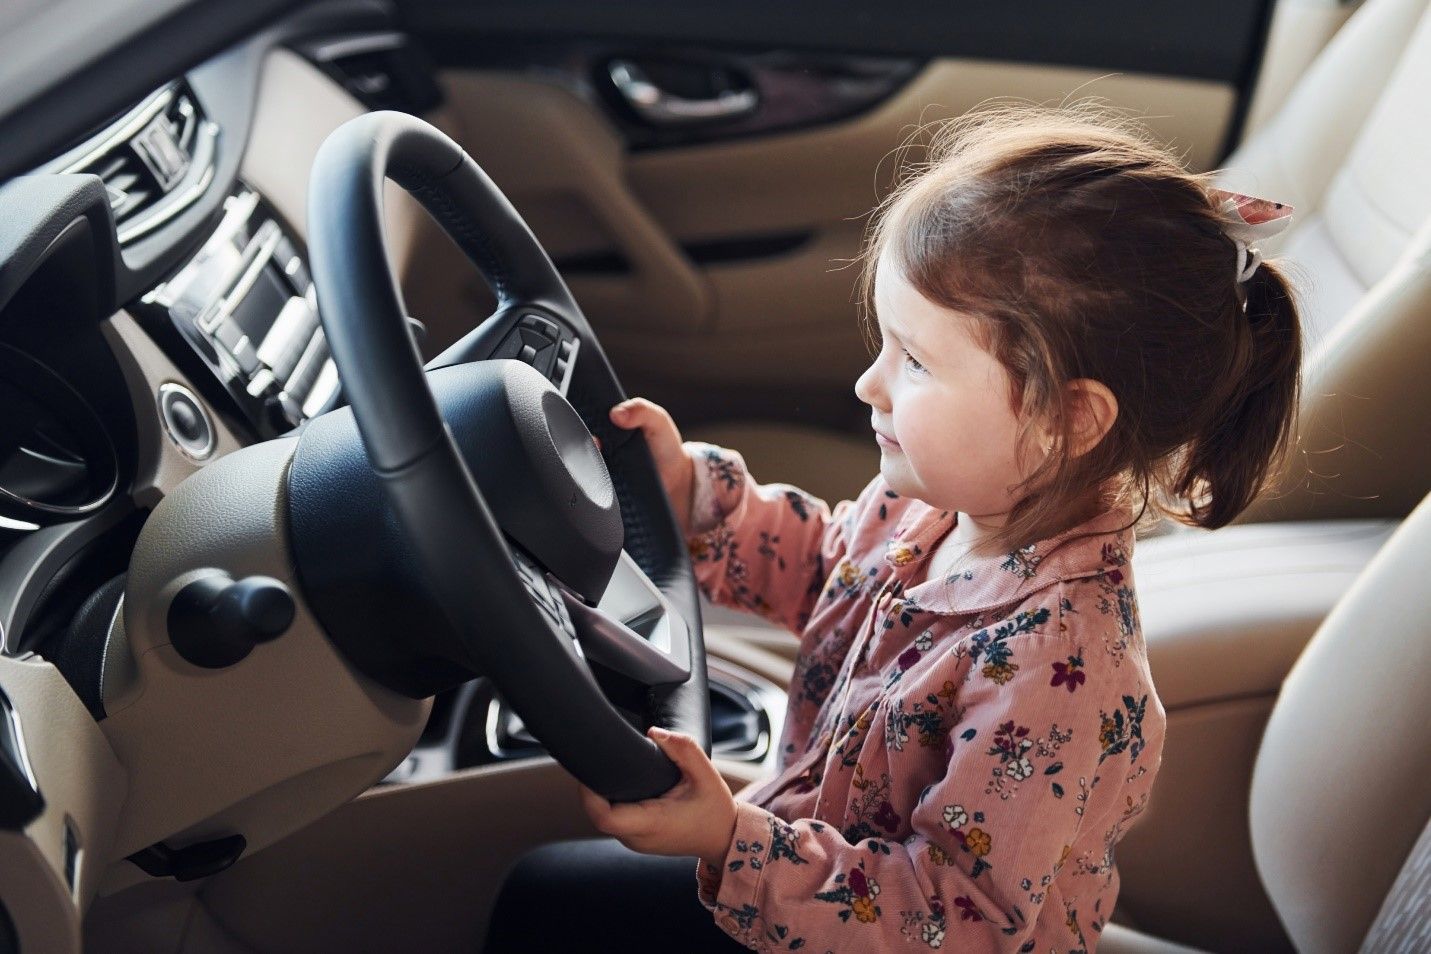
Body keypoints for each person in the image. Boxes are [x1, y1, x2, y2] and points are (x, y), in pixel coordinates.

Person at [485, 102, 1303, 953]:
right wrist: (692, 493)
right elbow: (825, 568)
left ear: (1067, 420)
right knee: (540, 893)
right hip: (802, 868)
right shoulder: (936, 508)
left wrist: (733, 842)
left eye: (913, 362)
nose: (868, 386)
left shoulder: (1060, 672)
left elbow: (952, 918)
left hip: (856, 920)